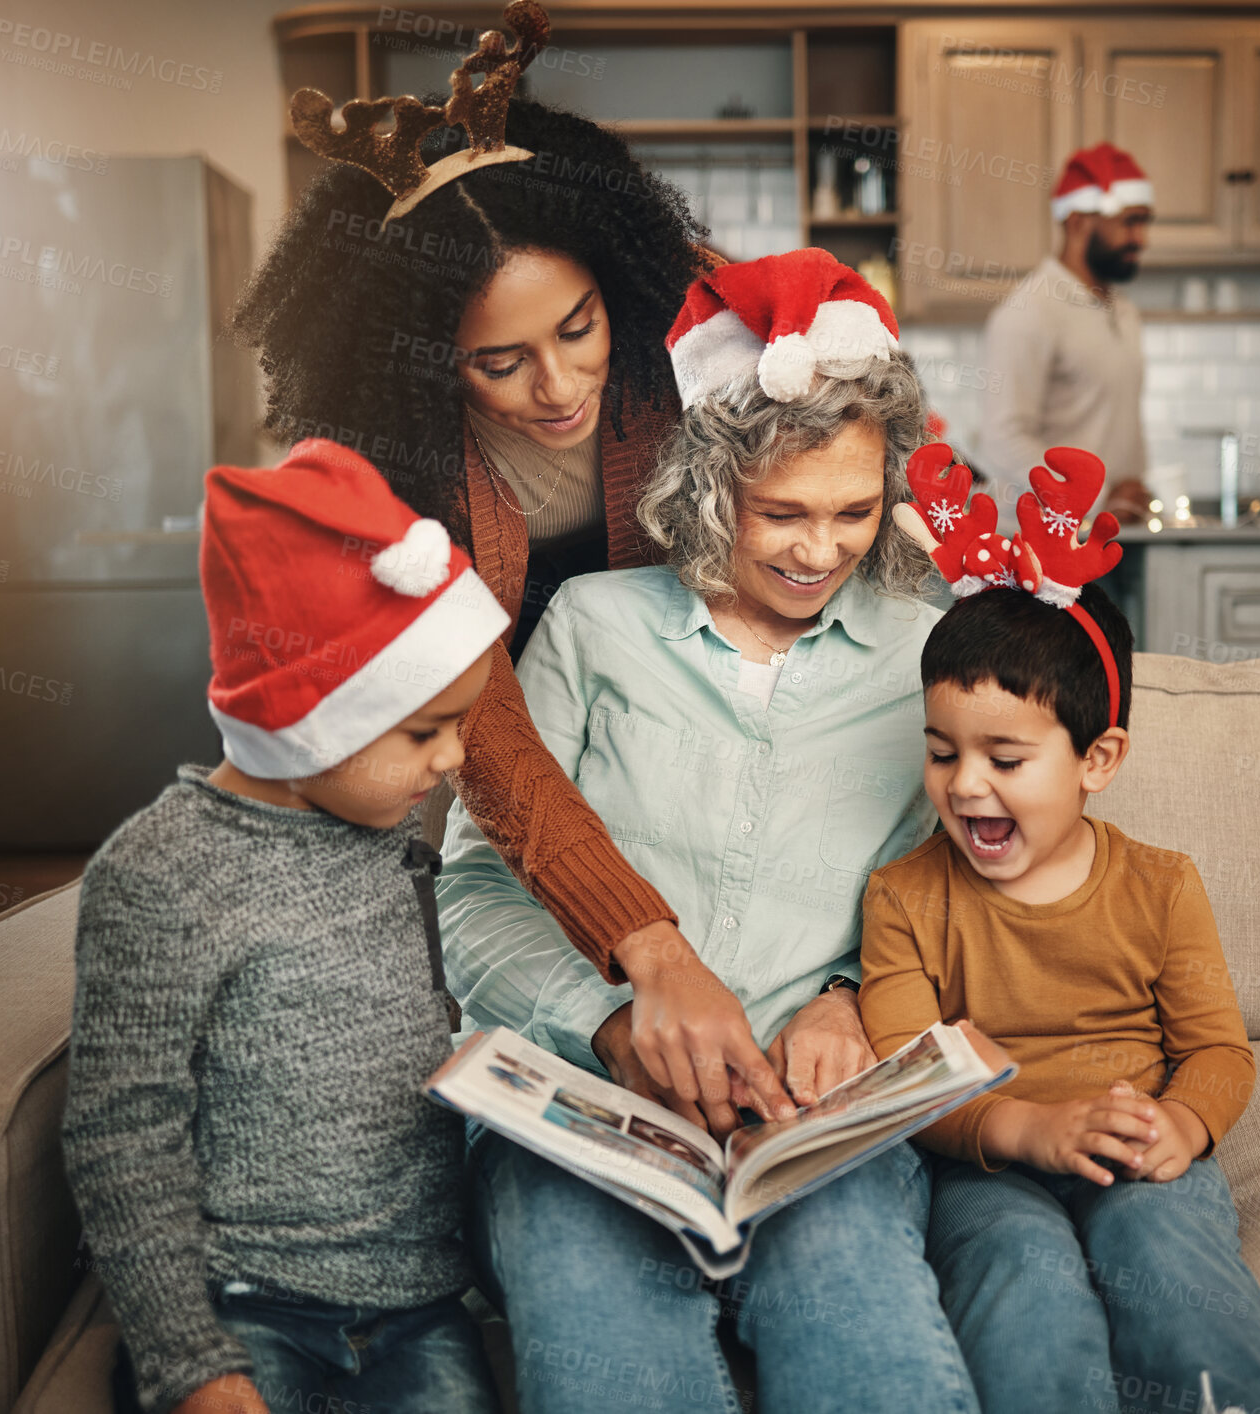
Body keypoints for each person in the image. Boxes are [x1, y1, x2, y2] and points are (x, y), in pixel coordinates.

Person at [438, 250, 979, 1412]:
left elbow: (948, 889)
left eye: (852, 510)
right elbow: (475, 898)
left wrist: (848, 994)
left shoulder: (919, 656)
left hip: (812, 1125)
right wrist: (612, 1022)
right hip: (590, 1117)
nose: (816, 551)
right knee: (604, 1345)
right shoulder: (591, 626)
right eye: (779, 511)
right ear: (705, 484)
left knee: (870, 1341)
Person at [232, 15, 791, 1130]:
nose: (557, 385)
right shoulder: (384, 466)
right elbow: (480, 716)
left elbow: (853, 451)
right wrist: (646, 943)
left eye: (578, 328)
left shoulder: (695, 326)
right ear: (422, 361)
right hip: (490, 682)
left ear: (613, 288)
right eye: (498, 361)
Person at [62, 441, 511, 1414]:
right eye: (424, 729)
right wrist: (193, 1366)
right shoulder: (158, 875)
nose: (455, 756)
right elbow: (120, 1138)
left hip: (419, 1308)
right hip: (244, 1305)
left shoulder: (387, 831)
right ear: (307, 718)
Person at [859, 449, 1260, 1414]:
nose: (966, 785)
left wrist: (1184, 1122)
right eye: (942, 753)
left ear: (1099, 760)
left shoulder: (1161, 886)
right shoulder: (903, 896)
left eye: (1005, 758)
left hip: (1136, 1147)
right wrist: (1029, 1129)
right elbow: (908, 1073)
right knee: (1022, 1283)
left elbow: (1218, 1049)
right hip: (990, 1163)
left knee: (1171, 1266)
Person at [982, 142, 1156, 528]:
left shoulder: (1123, 309)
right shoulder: (1030, 312)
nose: (1141, 239)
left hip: (1118, 531)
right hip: (1050, 543)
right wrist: (1098, 499)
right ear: (1078, 222)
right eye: (1130, 222)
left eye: (1145, 222)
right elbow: (1002, 439)